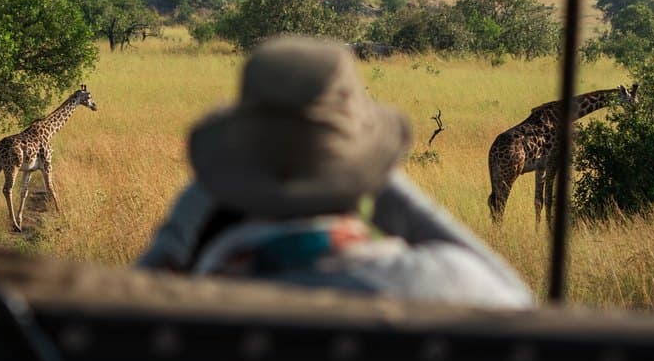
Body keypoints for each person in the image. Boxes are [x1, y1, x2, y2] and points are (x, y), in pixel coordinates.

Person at [138, 36, 533, 309]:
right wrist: (381, 178)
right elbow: (520, 301)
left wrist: (197, 202)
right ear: (369, 177)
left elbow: (131, 295)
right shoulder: (445, 282)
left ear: (229, 178)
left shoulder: (187, 305)